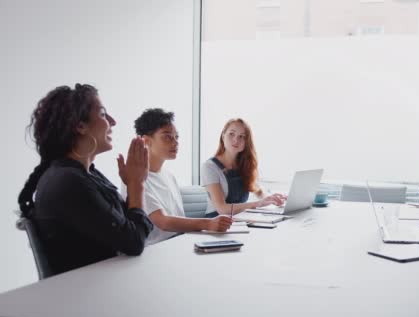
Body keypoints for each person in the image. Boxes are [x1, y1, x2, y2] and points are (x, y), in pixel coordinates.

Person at [17, 84, 153, 276]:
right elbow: (134, 242)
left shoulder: (85, 174)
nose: (113, 121)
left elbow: (127, 227)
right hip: (87, 297)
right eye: (104, 114)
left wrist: (134, 183)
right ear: (80, 126)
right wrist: (137, 183)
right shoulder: (68, 182)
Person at [132, 108, 232, 245]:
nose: (175, 142)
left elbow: (178, 221)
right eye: (167, 137)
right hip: (155, 249)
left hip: (179, 242)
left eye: (176, 137)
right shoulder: (135, 178)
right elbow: (163, 221)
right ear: (146, 141)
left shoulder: (169, 175)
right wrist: (208, 223)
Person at [201, 118, 285, 217]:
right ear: (223, 135)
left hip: (240, 220)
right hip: (216, 222)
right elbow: (222, 209)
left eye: (241, 136)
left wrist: (272, 199)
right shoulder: (209, 167)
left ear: (246, 142)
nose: (236, 140)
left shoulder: (245, 166)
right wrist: (258, 204)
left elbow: (259, 191)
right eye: (231, 134)